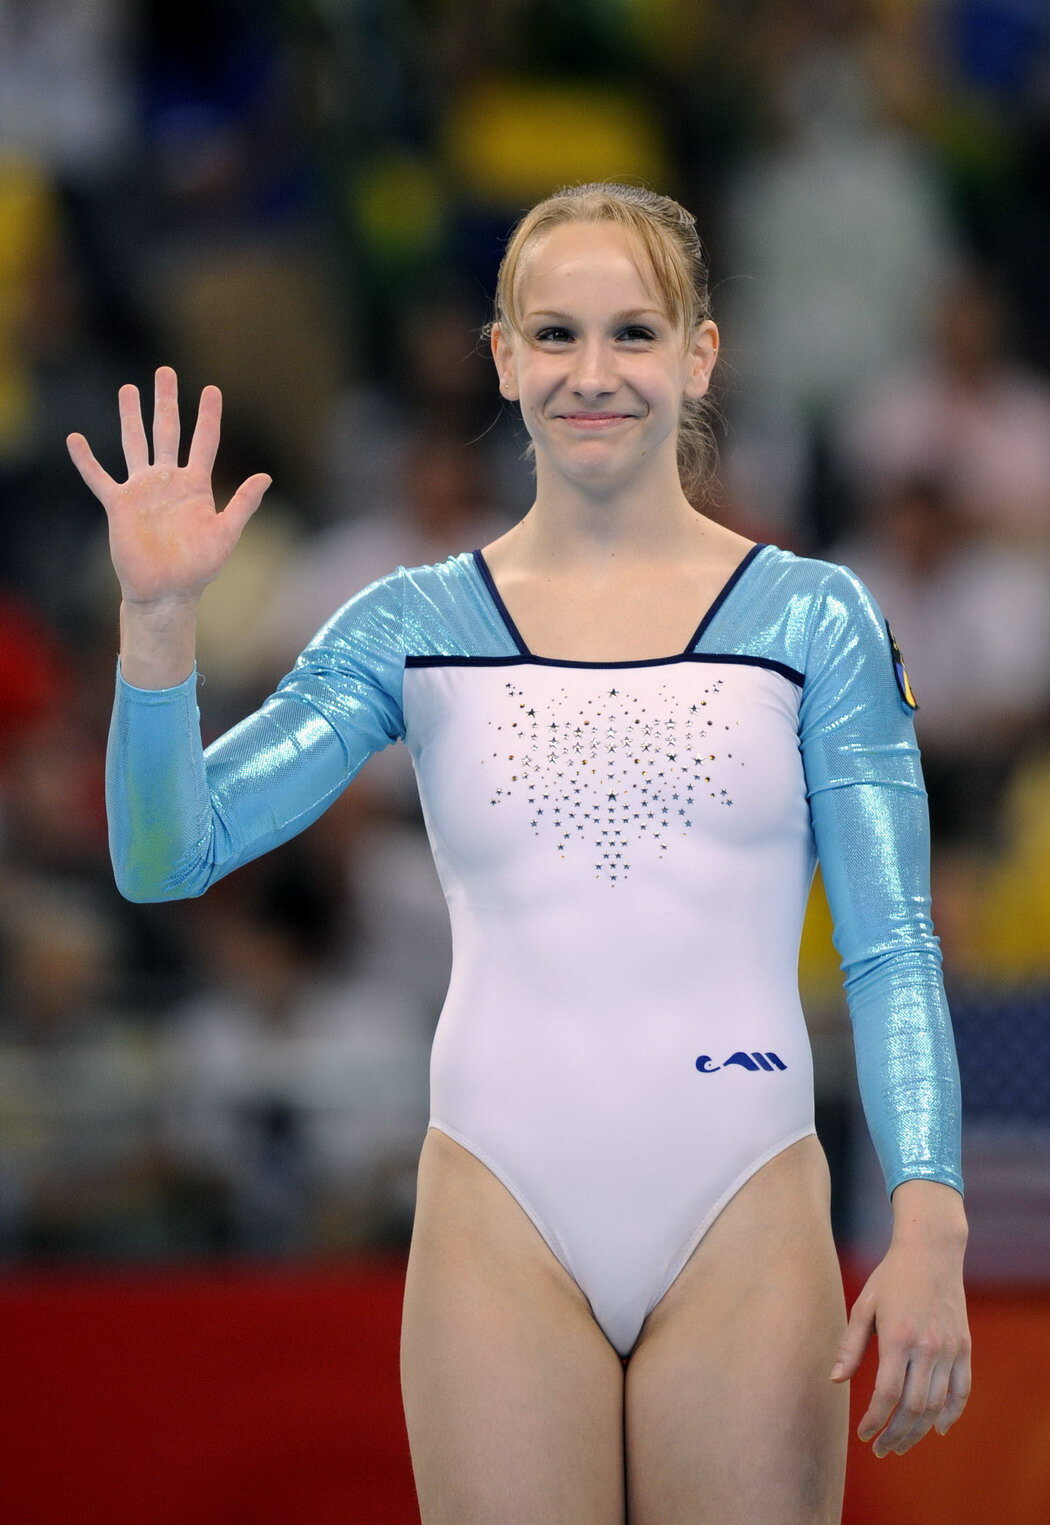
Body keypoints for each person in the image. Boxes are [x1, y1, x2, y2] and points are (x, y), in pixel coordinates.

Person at [68, 182, 970, 1524]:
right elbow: (165, 854)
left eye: (632, 333)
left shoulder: (814, 619)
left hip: (742, 1199)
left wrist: (932, 1225)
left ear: (700, 355)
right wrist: (155, 633)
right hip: (501, 1201)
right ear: (500, 357)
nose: (591, 372)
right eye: (552, 335)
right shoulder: (406, 624)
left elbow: (891, 944)